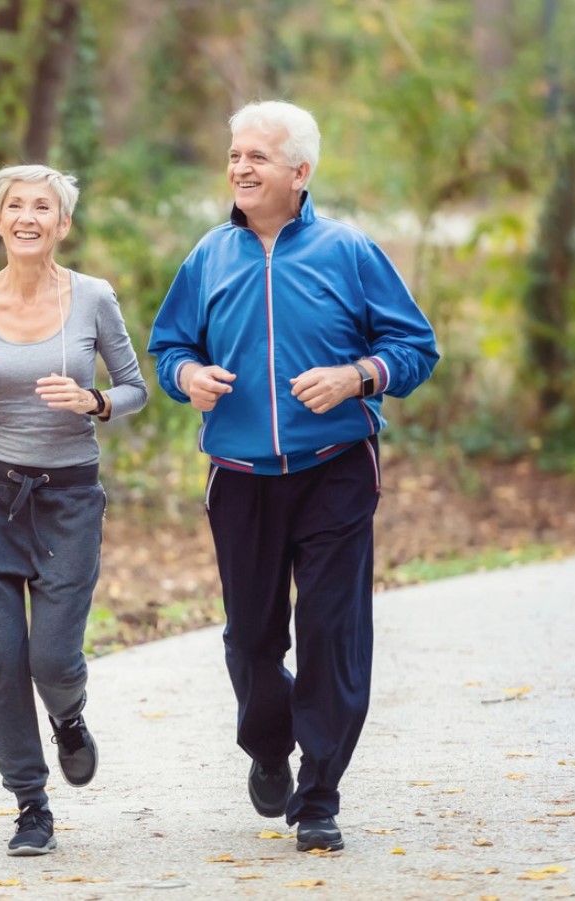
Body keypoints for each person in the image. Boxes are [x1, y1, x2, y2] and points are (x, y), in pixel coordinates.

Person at [148, 101, 438, 853]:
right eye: (234, 154)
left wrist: (357, 376)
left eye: (258, 157)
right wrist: (187, 375)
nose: (240, 167)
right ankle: (269, 745)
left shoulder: (348, 252)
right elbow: (168, 344)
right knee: (250, 639)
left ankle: (319, 794)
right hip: (239, 475)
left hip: (334, 470)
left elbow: (414, 347)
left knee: (329, 632)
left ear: (299, 172)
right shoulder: (208, 255)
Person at [0, 164, 148, 856]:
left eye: (42, 207)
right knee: (0, 657)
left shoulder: (92, 298)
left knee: (51, 657)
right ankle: (29, 802)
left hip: (68, 497)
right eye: (14, 205)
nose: (27, 216)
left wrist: (97, 402)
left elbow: (135, 386)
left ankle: (69, 716)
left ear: (62, 223)